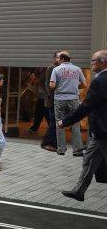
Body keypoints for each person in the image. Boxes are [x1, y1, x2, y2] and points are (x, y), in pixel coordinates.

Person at [59, 50, 107, 201]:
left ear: (102, 62)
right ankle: (79, 191)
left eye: (93, 60)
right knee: (89, 159)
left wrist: (66, 121)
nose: (91, 63)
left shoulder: (100, 81)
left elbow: (87, 106)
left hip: (103, 130)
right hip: (98, 132)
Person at [50, 51, 86, 156]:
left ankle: (61, 149)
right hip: (74, 98)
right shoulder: (77, 69)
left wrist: (59, 86)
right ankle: (77, 150)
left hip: (60, 99)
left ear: (61, 59)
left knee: (59, 124)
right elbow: (84, 84)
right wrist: (74, 86)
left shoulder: (56, 69)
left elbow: (52, 86)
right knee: (75, 123)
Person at [41, 52, 61, 152]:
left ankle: (53, 142)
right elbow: (48, 86)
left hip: (55, 100)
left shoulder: (58, 69)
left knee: (55, 122)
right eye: (58, 57)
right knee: (54, 122)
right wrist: (55, 98)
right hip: (52, 101)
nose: (60, 59)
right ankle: (47, 143)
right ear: (54, 58)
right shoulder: (51, 68)